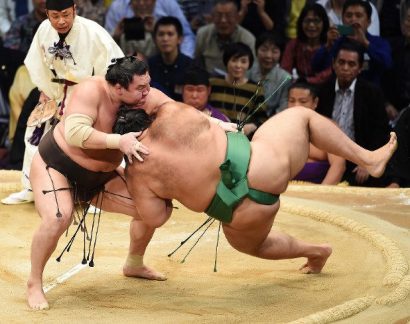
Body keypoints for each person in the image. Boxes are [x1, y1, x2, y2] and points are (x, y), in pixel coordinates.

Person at [27, 56, 237, 310]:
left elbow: (180, 115)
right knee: (58, 217)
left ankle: (134, 263)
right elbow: (74, 133)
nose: (146, 93)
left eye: (147, 85)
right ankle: (34, 283)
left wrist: (217, 125)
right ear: (118, 87)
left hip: (100, 177)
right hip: (57, 165)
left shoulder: (145, 96)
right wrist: (119, 142)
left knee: (150, 209)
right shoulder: (89, 91)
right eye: (140, 88)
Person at [116, 101, 397, 283]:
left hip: (243, 213)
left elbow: (155, 217)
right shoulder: (171, 114)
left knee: (253, 245)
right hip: (264, 166)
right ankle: (368, 159)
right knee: (302, 117)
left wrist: (164, 191)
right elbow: (207, 120)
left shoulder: (136, 173)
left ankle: (316, 252)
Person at [1, 0, 124, 205]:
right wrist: (44, 91)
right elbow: (37, 63)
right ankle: (32, 187)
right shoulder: (43, 30)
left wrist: (101, 100)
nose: (61, 21)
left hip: (87, 94)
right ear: (46, 14)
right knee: (34, 135)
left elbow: (113, 66)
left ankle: (104, 194)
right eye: (55, 16)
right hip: (55, 92)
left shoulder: (92, 32)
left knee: (92, 142)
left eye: (66, 15)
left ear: (75, 10)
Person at [316, 40, 391, 186]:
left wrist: (368, 162)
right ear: (333, 64)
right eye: (341, 62)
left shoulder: (372, 93)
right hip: (328, 157)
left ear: (360, 68)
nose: (345, 68)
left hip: (359, 161)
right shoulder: (324, 90)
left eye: (351, 64)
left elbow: (381, 133)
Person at [312, 0, 392, 86]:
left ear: (368, 22)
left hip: (369, 93)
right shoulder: (337, 42)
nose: (353, 20)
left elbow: (387, 65)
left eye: (358, 16)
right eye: (349, 15)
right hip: (339, 92)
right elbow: (316, 67)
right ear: (342, 20)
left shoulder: (378, 43)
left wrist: (365, 43)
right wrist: (327, 46)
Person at [288, 80, 345, 184]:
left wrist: (320, 194)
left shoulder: (329, 127)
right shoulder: (278, 126)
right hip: (283, 189)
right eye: (291, 100)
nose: (296, 106)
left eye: (303, 101)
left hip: (321, 187)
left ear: (315, 102)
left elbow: (339, 166)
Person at [105, 0, 196, 57]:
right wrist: (115, 36)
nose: (141, 3)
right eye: (136, 0)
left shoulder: (168, 3)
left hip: (161, 60)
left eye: (146, 0)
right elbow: (105, 44)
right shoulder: (117, 7)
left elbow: (186, 35)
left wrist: (184, 61)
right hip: (125, 62)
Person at [194, 0, 255, 75]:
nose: (223, 20)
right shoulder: (203, 34)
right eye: (219, 15)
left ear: (237, 17)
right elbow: (196, 64)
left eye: (228, 15)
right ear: (212, 17)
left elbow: (250, 71)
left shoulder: (247, 39)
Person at [281, 3, 332, 84]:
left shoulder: (330, 45)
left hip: (324, 88)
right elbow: (285, 71)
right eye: (307, 21)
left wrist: (308, 81)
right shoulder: (294, 44)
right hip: (298, 88)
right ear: (301, 23)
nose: (311, 25)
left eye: (316, 21)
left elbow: (331, 71)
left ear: (324, 23)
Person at [148, 16, 193, 101]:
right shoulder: (149, 65)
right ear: (155, 39)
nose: (165, 39)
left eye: (170, 34)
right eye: (161, 34)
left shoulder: (190, 66)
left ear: (180, 39)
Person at [248, 32, 290, 116]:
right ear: (256, 51)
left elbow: (283, 108)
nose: (268, 56)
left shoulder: (285, 78)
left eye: (274, 51)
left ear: (281, 54)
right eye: (264, 50)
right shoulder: (247, 70)